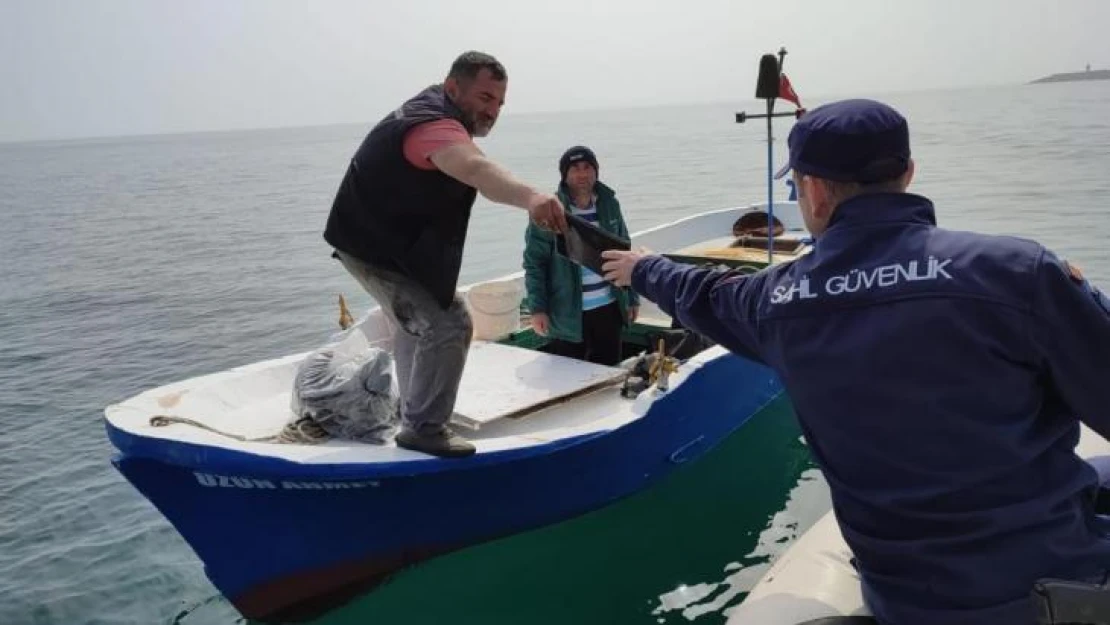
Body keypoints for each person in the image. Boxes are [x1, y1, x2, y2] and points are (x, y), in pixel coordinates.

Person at [600, 98, 1110, 624]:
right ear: (908, 173)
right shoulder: (1019, 274)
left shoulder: (775, 303)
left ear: (816, 192)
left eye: (796, 187)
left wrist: (643, 268)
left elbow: (702, 294)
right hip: (1056, 585)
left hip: (908, 602)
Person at [323, 51, 568, 459]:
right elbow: (477, 170)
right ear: (453, 88)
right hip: (376, 250)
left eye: (499, 103)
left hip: (371, 242)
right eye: (485, 97)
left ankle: (413, 414)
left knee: (414, 325)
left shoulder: (428, 114)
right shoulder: (433, 126)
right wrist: (533, 198)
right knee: (450, 320)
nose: (493, 110)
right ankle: (424, 428)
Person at [522, 146, 639, 366]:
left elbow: (626, 252)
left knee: (609, 377)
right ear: (564, 175)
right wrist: (538, 309)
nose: (582, 174)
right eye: (575, 168)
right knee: (568, 380)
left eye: (587, 167)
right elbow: (535, 263)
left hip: (609, 309)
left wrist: (631, 297)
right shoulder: (549, 210)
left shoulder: (609, 203)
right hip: (568, 315)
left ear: (596, 171)